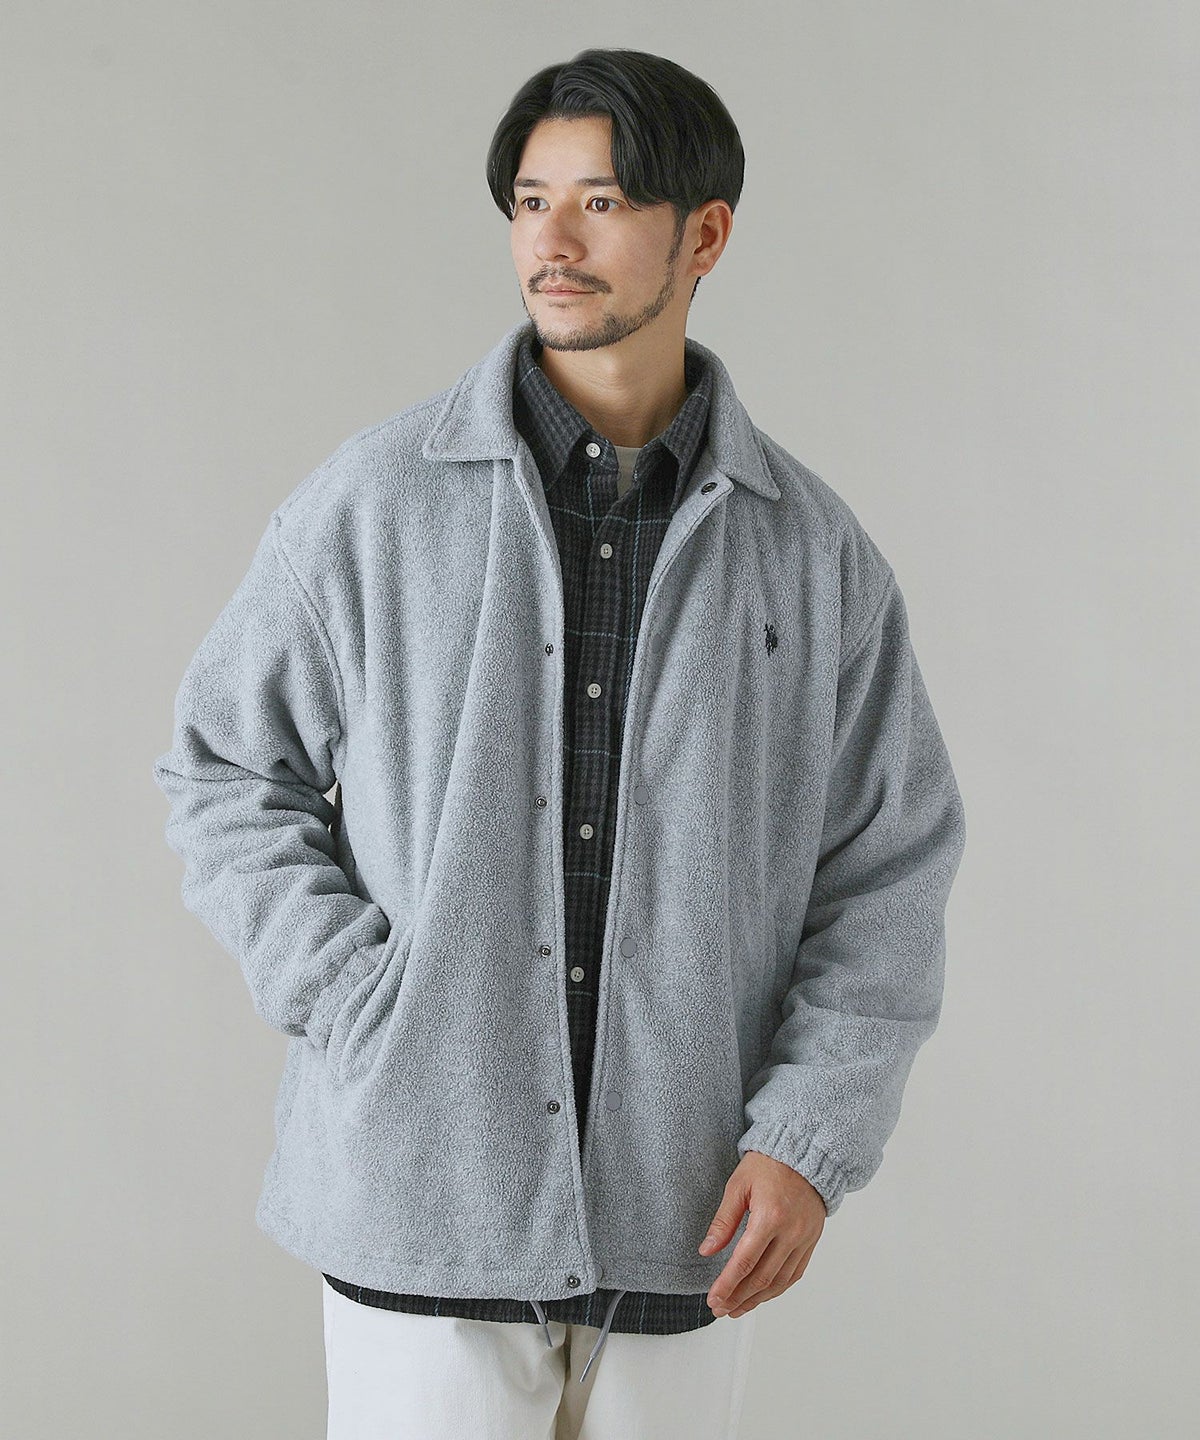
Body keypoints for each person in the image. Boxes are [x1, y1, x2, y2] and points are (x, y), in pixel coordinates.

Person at [153, 46, 967, 1440]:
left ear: (704, 235)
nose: (554, 241)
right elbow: (223, 768)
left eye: (602, 202)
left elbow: (890, 866)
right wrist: (359, 1002)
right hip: (421, 1201)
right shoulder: (374, 504)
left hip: (687, 1216)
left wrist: (809, 1138)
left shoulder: (814, 556)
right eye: (532, 202)